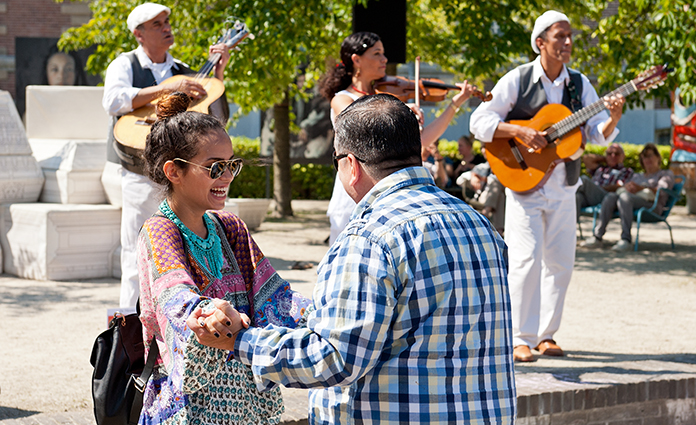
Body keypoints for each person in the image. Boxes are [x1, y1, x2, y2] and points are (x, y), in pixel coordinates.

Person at [190, 94, 516, 424]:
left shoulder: (371, 235)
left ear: (351, 165)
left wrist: (240, 341)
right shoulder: (477, 223)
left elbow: (333, 359)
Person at [137, 92, 313, 424]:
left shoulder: (230, 226)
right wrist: (205, 314)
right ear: (173, 171)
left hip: (248, 407)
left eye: (232, 164)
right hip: (191, 410)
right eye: (215, 167)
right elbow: (176, 300)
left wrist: (328, 315)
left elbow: (277, 298)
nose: (228, 176)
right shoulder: (158, 231)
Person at [469, 10, 626, 362]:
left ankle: (547, 336)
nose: (568, 42)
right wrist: (520, 131)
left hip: (564, 185)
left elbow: (597, 136)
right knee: (525, 260)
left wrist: (613, 117)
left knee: (560, 263)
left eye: (570, 36)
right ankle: (518, 338)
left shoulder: (579, 84)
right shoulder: (518, 78)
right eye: (560, 36)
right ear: (540, 42)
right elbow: (480, 120)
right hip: (523, 182)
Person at [102, 2, 231, 309]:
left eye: (166, 21)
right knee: (136, 250)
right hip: (138, 171)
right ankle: (131, 334)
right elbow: (113, 100)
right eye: (157, 24)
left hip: (183, 178)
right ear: (139, 33)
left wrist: (219, 73)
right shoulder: (125, 64)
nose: (166, 27)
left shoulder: (186, 72)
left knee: (186, 249)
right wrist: (164, 89)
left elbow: (217, 120)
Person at [319, 31, 475, 244]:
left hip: (388, 193)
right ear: (356, 60)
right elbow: (360, 122)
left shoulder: (386, 98)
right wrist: (398, 110)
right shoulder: (342, 99)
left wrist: (455, 103)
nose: (384, 59)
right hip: (354, 191)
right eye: (377, 54)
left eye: (383, 53)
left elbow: (423, 140)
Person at [583, 143, 675, 251]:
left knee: (625, 198)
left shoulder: (665, 174)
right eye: (644, 157)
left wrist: (640, 188)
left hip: (652, 206)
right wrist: (628, 187)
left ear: (658, 157)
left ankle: (626, 239)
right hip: (633, 203)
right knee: (611, 196)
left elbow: (661, 192)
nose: (647, 159)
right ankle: (597, 237)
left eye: (650, 155)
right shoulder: (638, 176)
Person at [576, 143, 634, 224]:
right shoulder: (601, 168)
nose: (613, 156)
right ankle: (570, 230)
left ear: (623, 156)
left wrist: (598, 188)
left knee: (584, 180)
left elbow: (619, 186)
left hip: (606, 197)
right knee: (577, 197)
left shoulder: (626, 171)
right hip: (590, 196)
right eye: (609, 154)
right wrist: (606, 159)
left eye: (616, 154)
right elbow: (586, 158)